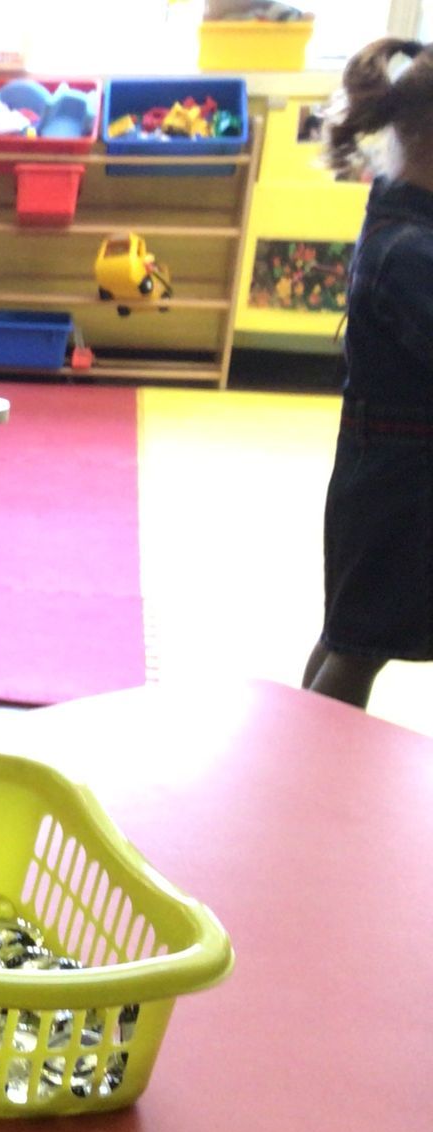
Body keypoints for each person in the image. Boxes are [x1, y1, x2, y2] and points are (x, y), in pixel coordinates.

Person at [302, 38, 433, 709]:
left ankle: (306, 759)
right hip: (399, 489)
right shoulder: (408, 250)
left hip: (388, 473)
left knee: (350, 636)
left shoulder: (403, 220)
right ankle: (311, 777)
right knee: (357, 645)